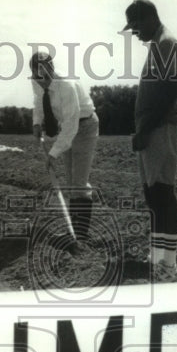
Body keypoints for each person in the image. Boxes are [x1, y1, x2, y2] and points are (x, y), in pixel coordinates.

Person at [123, 0, 177, 281]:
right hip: (152, 128)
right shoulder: (159, 43)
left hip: (160, 128)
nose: (134, 33)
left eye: (136, 26)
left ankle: (168, 262)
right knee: (153, 194)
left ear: (149, 18)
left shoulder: (167, 43)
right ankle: (158, 255)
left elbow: (169, 92)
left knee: (162, 192)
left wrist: (145, 129)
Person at [30, 51, 99, 244]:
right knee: (70, 182)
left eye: (43, 77)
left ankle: (81, 236)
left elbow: (71, 126)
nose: (40, 81)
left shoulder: (66, 86)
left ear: (51, 71)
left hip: (84, 125)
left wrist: (52, 154)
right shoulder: (36, 78)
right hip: (68, 126)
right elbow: (38, 101)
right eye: (36, 77)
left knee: (79, 182)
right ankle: (72, 232)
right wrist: (37, 122)